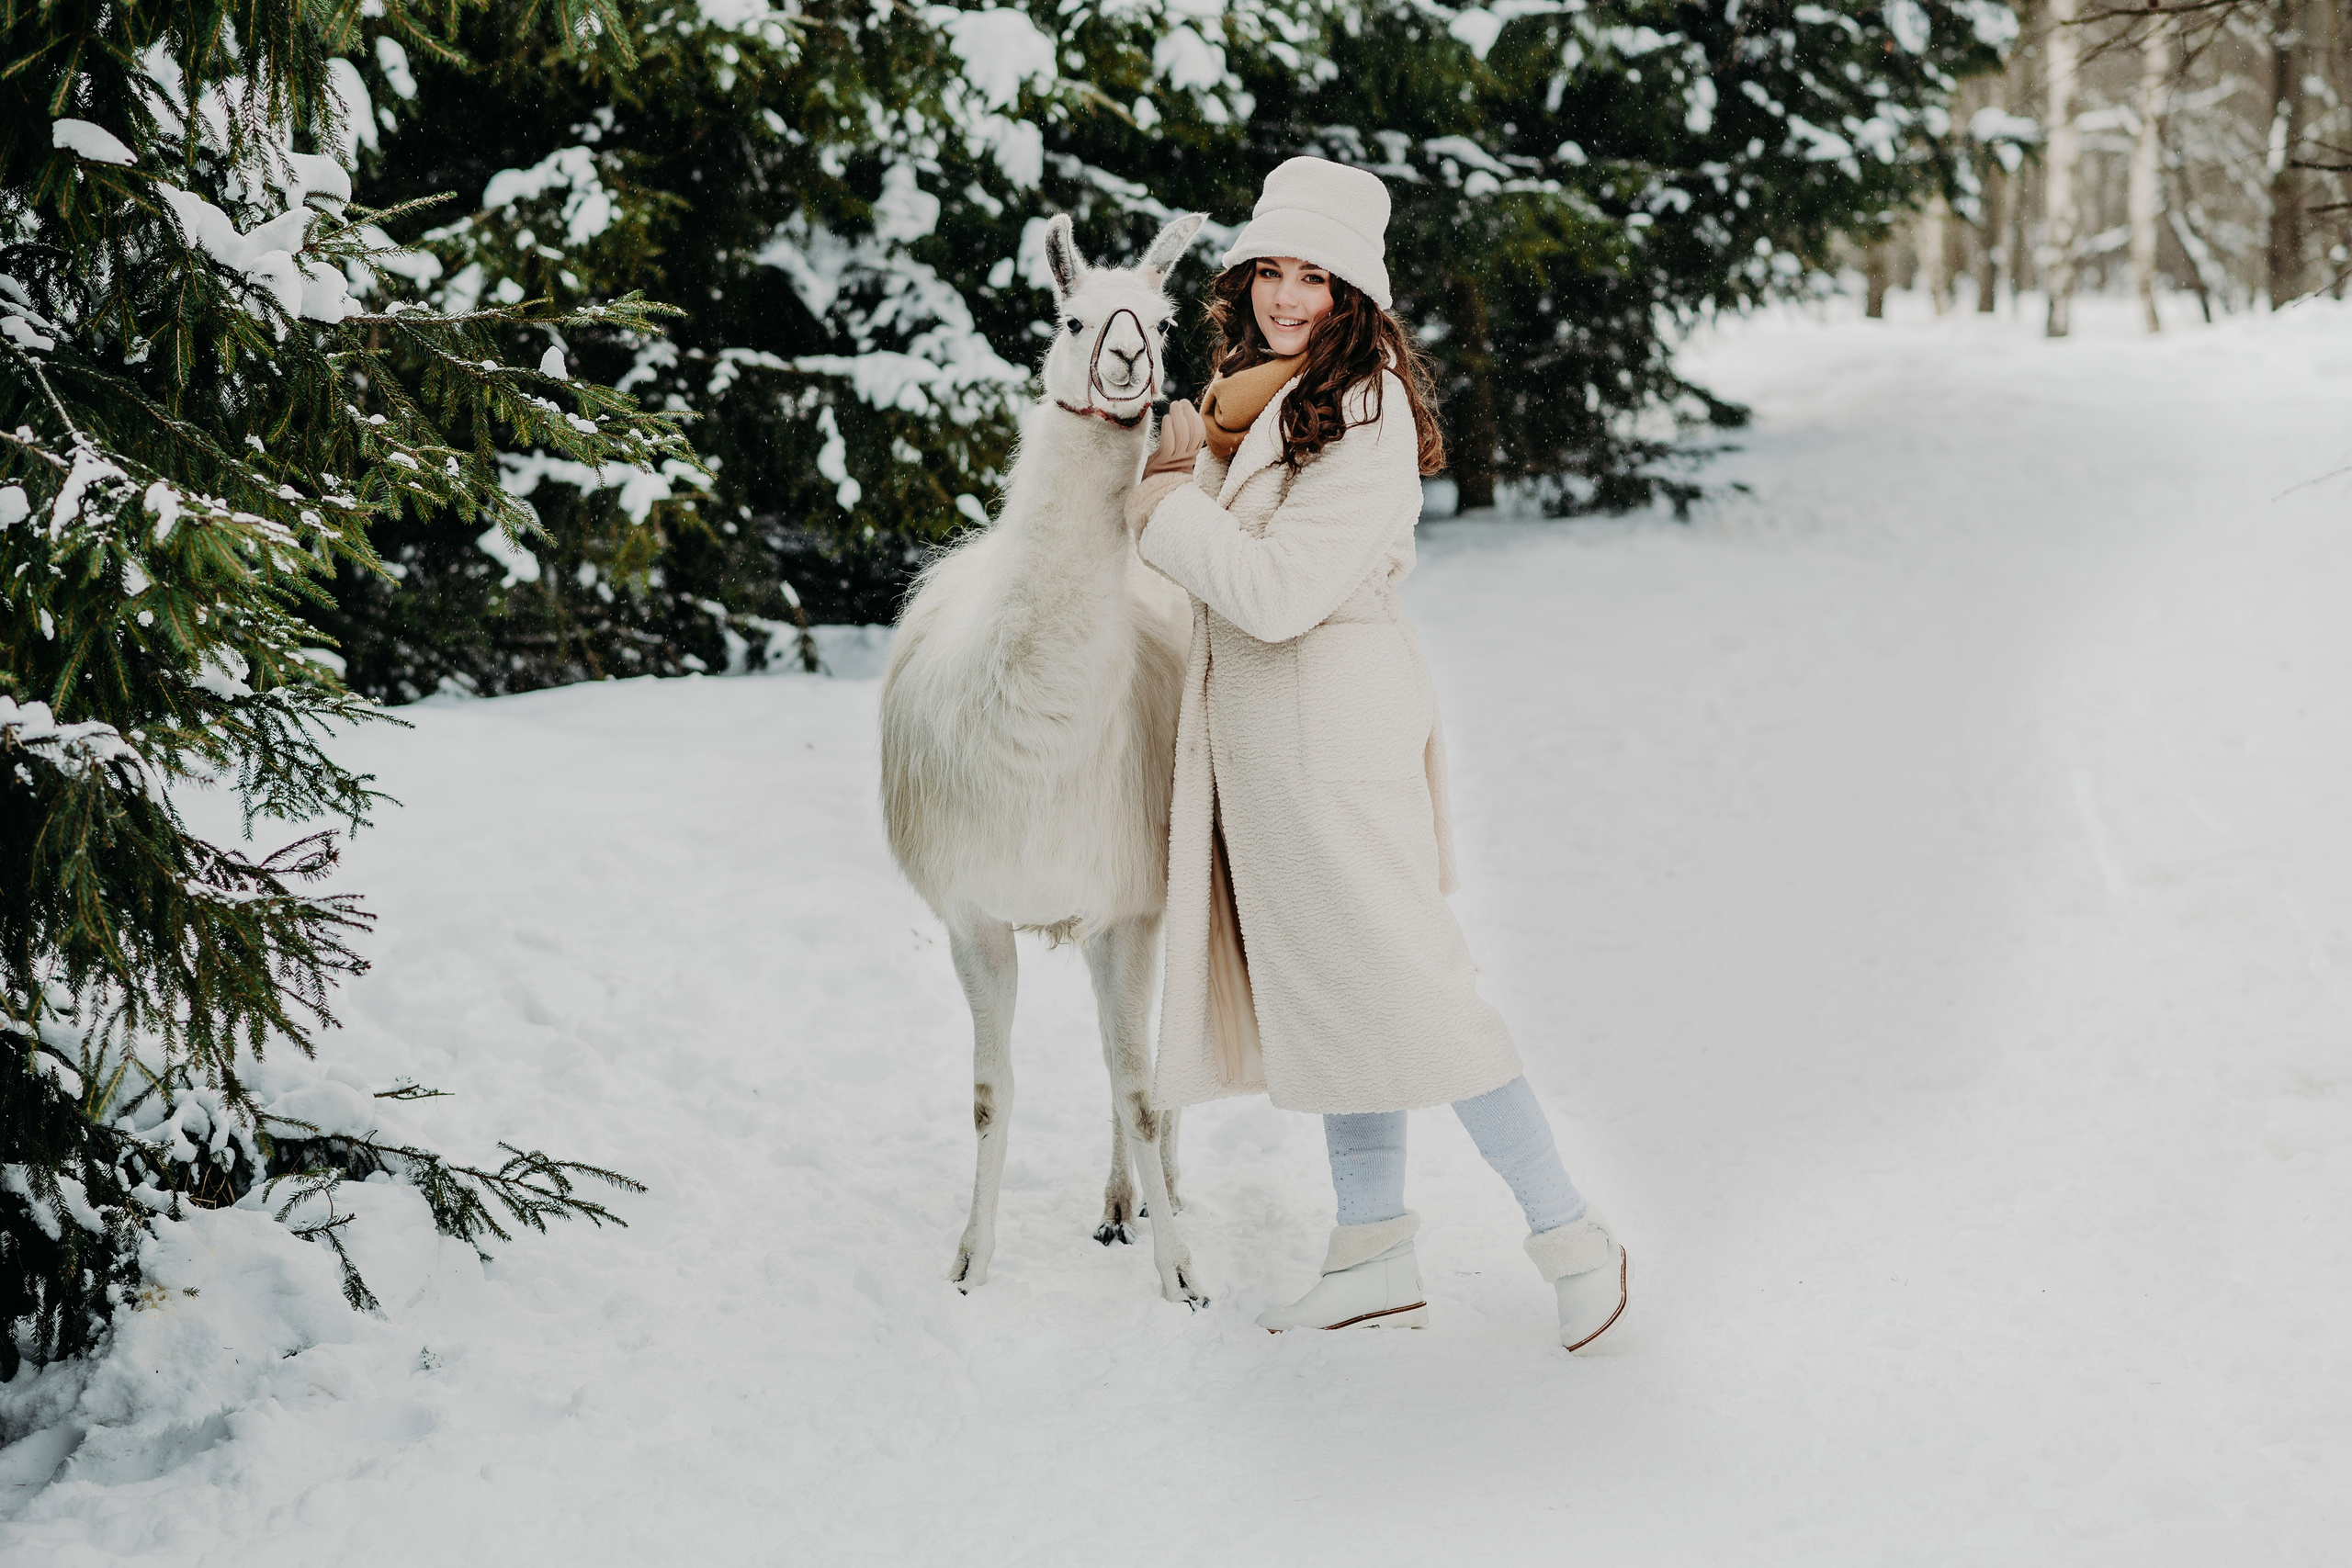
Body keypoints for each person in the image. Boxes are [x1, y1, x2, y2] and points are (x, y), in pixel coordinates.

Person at [1122, 156, 1632, 1350]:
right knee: (1336, 998)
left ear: (1357, 292)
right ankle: (1371, 1251)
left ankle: (1573, 1235)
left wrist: (1163, 507)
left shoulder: (1365, 408)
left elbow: (1281, 591)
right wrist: (1190, 462)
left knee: (1413, 992)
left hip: (1328, 725)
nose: (1287, 297)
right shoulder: (1261, 393)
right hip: (1269, 737)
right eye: (1271, 271)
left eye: (1316, 276)